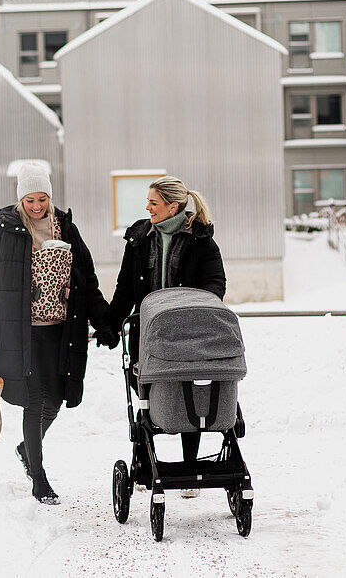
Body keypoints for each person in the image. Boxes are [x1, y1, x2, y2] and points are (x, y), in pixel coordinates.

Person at [0, 163, 117, 505]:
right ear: (20, 199)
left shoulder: (66, 228)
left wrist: (104, 321)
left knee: (55, 399)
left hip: (60, 332)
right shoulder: (3, 231)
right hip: (20, 333)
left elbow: (87, 280)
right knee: (35, 401)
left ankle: (27, 448)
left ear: (49, 197)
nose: (37, 206)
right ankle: (39, 478)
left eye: (42, 199)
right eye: (30, 200)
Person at [107, 176, 226, 497]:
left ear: (173, 206)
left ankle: (190, 465)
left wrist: (191, 310)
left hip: (188, 334)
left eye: (154, 203)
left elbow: (216, 285)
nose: (147, 208)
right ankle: (146, 460)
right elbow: (125, 289)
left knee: (190, 394)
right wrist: (109, 325)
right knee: (146, 393)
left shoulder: (201, 241)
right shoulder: (140, 239)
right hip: (146, 335)